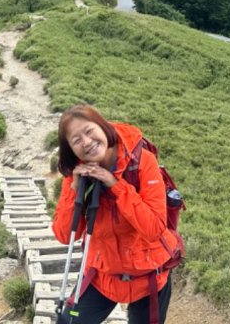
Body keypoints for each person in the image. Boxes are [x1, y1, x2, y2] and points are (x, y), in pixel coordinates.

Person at [52, 104, 177, 324]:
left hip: (148, 278)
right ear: (70, 149)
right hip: (102, 276)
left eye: (89, 131)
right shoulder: (78, 173)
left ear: (103, 126)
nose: (87, 142)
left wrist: (115, 185)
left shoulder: (142, 161)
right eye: (76, 140)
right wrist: (74, 189)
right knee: (69, 320)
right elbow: (65, 235)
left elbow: (154, 229)